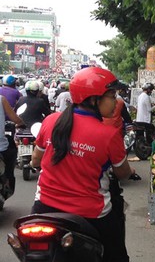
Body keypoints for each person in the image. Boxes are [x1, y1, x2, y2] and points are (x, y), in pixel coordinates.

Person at [30, 67, 135, 262]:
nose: (116, 101)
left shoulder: (51, 121)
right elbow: (122, 174)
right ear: (94, 99)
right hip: (92, 216)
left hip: (43, 209)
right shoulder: (109, 134)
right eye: (112, 96)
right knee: (117, 257)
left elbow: (36, 160)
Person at [0, 95, 25, 205]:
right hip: (1, 147)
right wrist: (20, 122)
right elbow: (15, 119)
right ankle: (6, 183)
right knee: (10, 158)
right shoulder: (1, 99)